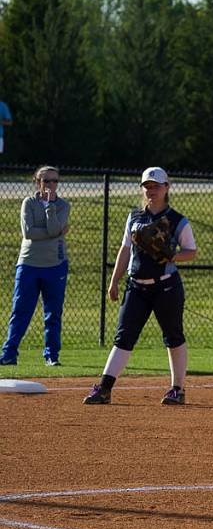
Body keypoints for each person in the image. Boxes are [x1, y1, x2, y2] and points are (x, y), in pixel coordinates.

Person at [84, 167, 197, 406]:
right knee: (123, 336)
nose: (151, 190)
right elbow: (125, 250)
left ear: (167, 188)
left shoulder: (177, 220)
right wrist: (114, 281)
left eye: (156, 186)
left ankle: (178, 389)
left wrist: (173, 256)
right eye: (147, 186)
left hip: (166, 287)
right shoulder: (135, 217)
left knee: (173, 336)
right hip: (136, 286)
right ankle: (104, 388)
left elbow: (192, 252)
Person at [1, 166, 70, 366]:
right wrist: (56, 232)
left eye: (54, 181)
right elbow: (29, 232)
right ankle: (9, 354)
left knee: (53, 313)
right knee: (20, 311)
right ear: (37, 182)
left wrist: (50, 207)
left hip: (55, 265)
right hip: (29, 264)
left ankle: (51, 356)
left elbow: (54, 228)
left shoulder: (63, 205)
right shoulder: (28, 203)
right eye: (46, 181)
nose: (50, 185)